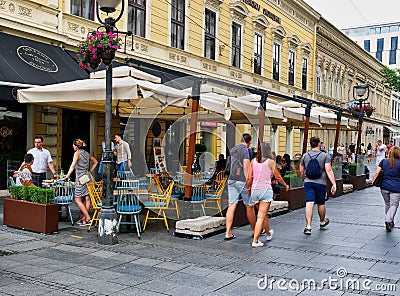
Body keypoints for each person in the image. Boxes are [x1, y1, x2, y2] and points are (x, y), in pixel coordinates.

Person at [300, 136, 336, 235]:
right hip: (321, 183)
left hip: (308, 182)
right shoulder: (325, 156)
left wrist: (304, 179)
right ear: (319, 144)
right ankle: (322, 222)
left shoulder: (305, 156)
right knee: (321, 203)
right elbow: (328, 170)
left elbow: (301, 171)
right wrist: (334, 183)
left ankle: (308, 226)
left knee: (309, 203)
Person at [225, 133, 256, 240]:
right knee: (249, 205)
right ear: (249, 142)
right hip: (242, 180)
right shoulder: (245, 150)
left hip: (231, 179)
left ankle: (228, 232)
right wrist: (249, 182)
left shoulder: (233, 149)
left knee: (232, 205)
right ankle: (254, 230)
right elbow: (246, 167)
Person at [247, 142, 276, 247]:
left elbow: (249, 178)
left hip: (255, 191)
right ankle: (255, 241)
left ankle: (268, 233)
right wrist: (285, 185)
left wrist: (248, 188)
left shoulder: (253, 161)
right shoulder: (271, 162)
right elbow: (276, 176)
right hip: (265, 190)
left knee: (263, 215)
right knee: (260, 217)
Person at [65, 139, 98, 226]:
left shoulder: (77, 153)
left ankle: (87, 217)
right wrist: (90, 171)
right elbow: (95, 162)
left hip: (80, 179)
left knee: (77, 199)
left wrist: (67, 176)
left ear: (76, 146)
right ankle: (84, 219)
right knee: (87, 198)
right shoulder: (86, 153)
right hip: (87, 177)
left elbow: (73, 165)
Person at [372, 146, 400, 232]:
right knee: (394, 205)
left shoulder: (384, 161)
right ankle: (388, 220)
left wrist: (373, 180)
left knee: (387, 204)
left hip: (384, 187)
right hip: (396, 188)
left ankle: (390, 221)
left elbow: (377, 172)